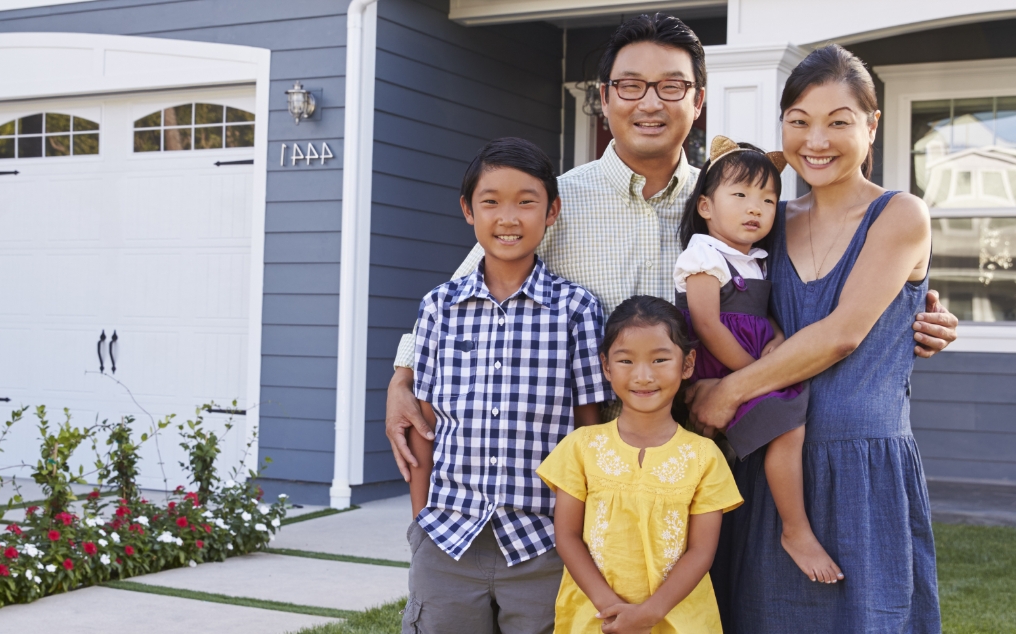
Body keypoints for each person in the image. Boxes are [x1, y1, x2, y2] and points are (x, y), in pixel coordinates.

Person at [382, 13, 957, 486]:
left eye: (671, 87)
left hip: (710, 452)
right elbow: (466, 292)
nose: (650, 103)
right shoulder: (557, 202)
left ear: (698, 100)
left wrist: (915, 310)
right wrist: (402, 378)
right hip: (591, 460)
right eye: (630, 86)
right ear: (604, 100)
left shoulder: (735, 203)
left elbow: (817, 280)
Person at [693, 44, 942, 632]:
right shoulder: (770, 218)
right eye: (799, 121)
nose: (817, 140)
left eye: (838, 121)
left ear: (872, 124)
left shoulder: (901, 214)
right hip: (773, 465)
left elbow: (841, 334)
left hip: (863, 469)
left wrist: (729, 392)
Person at [401, 137, 609, 634]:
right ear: (468, 211)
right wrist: (420, 525)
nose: (508, 217)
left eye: (526, 201)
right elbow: (424, 425)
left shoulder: (576, 310)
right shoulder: (439, 308)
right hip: (448, 536)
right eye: (490, 201)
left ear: (552, 211)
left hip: (543, 543)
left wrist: (574, 531)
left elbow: (588, 434)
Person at [673, 136, 840, 583]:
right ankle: (795, 528)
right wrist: (754, 375)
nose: (756, 208)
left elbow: (761, 314)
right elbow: (707, 325)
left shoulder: (756, 259)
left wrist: (780, 337)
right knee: (787, 426)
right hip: (722, 367)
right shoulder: (704, 254)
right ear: (706, 206)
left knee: (788, 424)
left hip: (749, 367)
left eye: (768, 199)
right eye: (741, 195)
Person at [538, 295, 742, 634]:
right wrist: (612, 610)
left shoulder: (704, 457)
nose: (643, 376)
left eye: (660, 359)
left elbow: (701, 552)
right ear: (606, 366)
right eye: (626, 361)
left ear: (687, 364)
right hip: (595, 620)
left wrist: (648, 615)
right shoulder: (580, 447)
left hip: (679, 621)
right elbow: (567, 537)